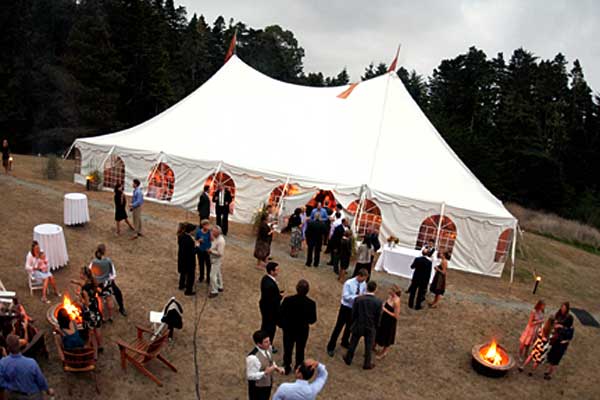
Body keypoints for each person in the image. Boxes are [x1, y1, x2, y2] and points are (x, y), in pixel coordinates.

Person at [326, 269, 368, 357]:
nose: (364, 281)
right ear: (359, 276)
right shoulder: (349, 283)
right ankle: (331, 346)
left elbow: (364, 293)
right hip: (345, 308)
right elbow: (345, 297)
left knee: (349, 326)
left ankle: (344, 341)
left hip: (354, 308)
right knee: (339, 326)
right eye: (363, 279)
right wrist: (357, 297)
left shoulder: (363, 284)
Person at [278, 279, 317, 375]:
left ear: (296, 288)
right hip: (302, 330)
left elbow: (281, 314)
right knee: (300, 349)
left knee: (288, 348)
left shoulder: (288, 300)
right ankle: (299, 367)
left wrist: (282, 325)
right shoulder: (311, 303)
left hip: (289, 329)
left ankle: (287, 366)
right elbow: (312, 320)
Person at [343, 280, 383, 369]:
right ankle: (367, 363)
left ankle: (348, 359)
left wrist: (354, 321)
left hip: (359, 324)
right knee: (368, 346)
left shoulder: (358, 299)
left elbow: (354, 312)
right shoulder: (378, 302)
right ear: (375, 289)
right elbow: (378, 316)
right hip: (370, 326)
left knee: (353, 342)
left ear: (366, 288)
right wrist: (376, 326)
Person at [0, 334, 54, 399]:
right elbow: (40, 380)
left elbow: (1, 381)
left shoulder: (2, 363)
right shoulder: (31, 362)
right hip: (32, 395)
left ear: (8, 348)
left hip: (15, 396)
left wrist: (11, 387)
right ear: (19, 345)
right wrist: (47, 390)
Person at [90, 243, 127, 317]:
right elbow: (113, 274)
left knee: (91, 294)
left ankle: (94, 310)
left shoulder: (93, 262)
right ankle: (121, 308)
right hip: (107, 283)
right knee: (118, 293)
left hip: (96, 284)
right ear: (104, 252)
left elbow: (90, 273)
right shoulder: (108, 261)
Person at [246, 330, 284, 400]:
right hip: (257, 387)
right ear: (259, 344)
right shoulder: (252, 358)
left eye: (269, 340)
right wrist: (265, 373)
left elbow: (270, 361)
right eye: (266, 342)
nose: (269, 343)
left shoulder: (269, 348)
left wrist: (276, 368)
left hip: (267, 383)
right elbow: (250, 376)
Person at [545, 304, 574, 380]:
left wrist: (564, 341)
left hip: (561, 346)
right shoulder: (563, 326)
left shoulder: (570, 329)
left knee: (555, 361)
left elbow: (569, 338)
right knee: (552, 358)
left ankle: (550, 374)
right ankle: (548, 371)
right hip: (556, 343)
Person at [80, 267, 104, 355]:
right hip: (96, 308)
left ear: (84, 275)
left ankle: (94, 352)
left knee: (91, 332)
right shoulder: (92, 282)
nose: (79, 275)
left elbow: (87, 303)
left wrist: (80, 300)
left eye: (80, 273)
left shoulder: (84, 289)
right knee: (98, 329)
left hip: (90, 312)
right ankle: (101, 345)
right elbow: (98, 291)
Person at [259, 262, 283, 351]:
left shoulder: (265, 278)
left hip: (264, 307)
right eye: (276, 269)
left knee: (265, 326)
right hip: (270, 311)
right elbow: (273, 300)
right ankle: (268, 345)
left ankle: (262, 342)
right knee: (270, 329)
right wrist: (280, 296)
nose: (278, 271)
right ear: (272, 271)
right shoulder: (271, 285)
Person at [374, 285, 402, 359]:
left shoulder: (396, 301)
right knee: (379, 332)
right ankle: (374, 346)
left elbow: (396, 315)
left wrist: (385, 310)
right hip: (384, 318)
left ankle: (384, 352)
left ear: (394, 292)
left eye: (390, 290)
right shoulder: (390, 297)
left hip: (390, 321)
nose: (389, 291)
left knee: (387, 336)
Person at [177, 223, 197, 296]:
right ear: (191, 231)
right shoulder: (189, 240)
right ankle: (189, 290)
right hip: (189, 261)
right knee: (190, 276)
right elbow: (192, 252)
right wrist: (196, 247)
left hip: (182, 258)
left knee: (183, 273)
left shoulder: (181, 236)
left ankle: (181, 285)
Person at [208, 225, 226, 298]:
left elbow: (220, 253)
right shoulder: (215, 237)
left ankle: (215, 291)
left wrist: (211, 251)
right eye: (212, 231)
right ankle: (220, 286)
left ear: (218, 232)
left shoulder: (221, 241)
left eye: (214, 232)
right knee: (218, 273)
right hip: (213, 259)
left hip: (216, 260)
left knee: (212, 275)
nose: (212, 233)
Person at [195, 219, 212, 283]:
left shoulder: (210, 232)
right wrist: (199, 241)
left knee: (208, 265)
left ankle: (208, 278)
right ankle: (201, 277)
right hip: (200, 251)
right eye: (206, 225)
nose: (207, 226)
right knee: (201, 264)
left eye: (208, 225)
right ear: (203, 225)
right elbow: (196, 240)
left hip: (207, 251)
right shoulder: (199, 232)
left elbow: (212, 241)